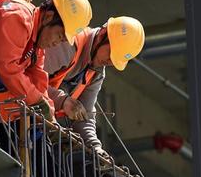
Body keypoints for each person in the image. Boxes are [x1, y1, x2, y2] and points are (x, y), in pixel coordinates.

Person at [43, 16, 145, 155]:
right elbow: (29, 81)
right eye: (111, 53)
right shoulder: (69, 44)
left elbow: (85, 114)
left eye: (115, 60)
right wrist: (63, 100)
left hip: (37, 121)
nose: (110, 62)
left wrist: (95, 147)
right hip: (13, 112)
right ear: (102, 35)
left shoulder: (96, 73)